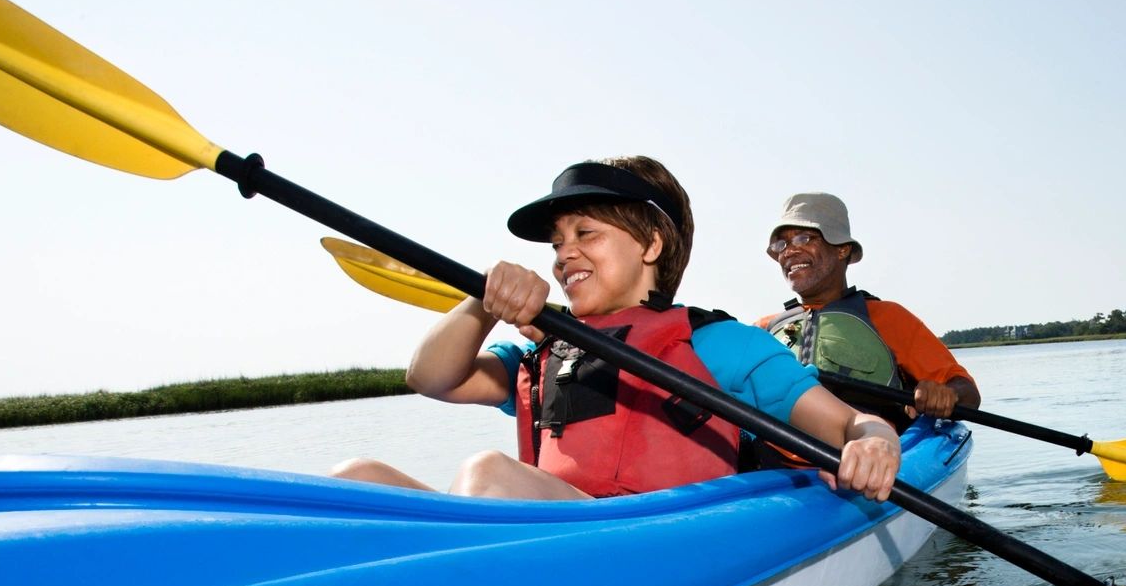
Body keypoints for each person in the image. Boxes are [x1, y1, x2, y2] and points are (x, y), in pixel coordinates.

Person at [332, 158, 902, 502]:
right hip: (556, 545)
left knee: (487, 474)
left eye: (587, 234)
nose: (565, 254)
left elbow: (850, 422)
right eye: (558, 243)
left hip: (658, 547)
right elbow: (430, 376)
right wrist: (482, 303)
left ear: (652, 245)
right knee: (355, 480)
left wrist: (875, 443)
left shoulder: (717, 344)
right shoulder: (541, 352)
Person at [759, 192, 980, 428]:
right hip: (770, 459)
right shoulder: (763, 330)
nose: (788, 251)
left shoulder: (888, 318)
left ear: (842, 249)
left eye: (804, 239)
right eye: (781, 244)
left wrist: (946, 394)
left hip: (867, 453)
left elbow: (967, 392)